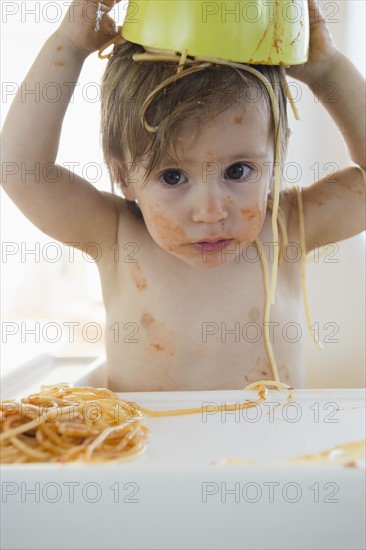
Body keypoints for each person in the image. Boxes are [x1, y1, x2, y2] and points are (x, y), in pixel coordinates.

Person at [1, 0, 365, 391]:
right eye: (173, 176)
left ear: (275, 160)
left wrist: (328, 70)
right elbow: (22, 170)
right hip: (144, 450)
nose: (210, 212)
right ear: (122, 174)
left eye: (238, 171)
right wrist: (68, 48)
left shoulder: (287, 228)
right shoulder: (115, 235)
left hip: (273, 451)